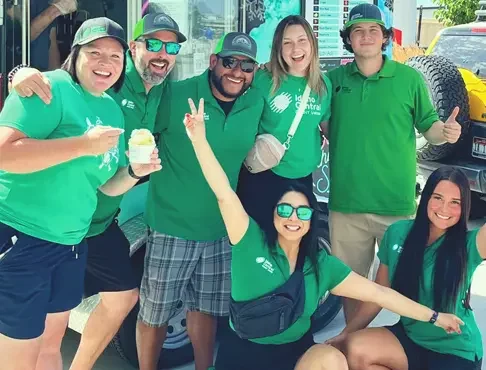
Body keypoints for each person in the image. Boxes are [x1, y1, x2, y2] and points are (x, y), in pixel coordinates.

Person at [181, 98, 464, 370]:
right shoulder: (249, 241)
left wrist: (434, 316)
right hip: (243, 358)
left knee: (331, 359)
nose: (294, 218)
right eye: (285, 210)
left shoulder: (321, 265)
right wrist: (199, 141)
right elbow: (223, 193)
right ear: (273, 214)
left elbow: (379, 293)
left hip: (294, 358)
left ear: (311, 220)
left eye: (303, 212)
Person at [9, 11, 185, 370]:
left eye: (170, 47)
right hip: (31, 233)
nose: (162, 53)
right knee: (24, 345)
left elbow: (107, 179)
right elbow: (10, 147)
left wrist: (135, 171)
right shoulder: (84, 86)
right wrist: (21, 74)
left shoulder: (142, 97)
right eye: (153, 44)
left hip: (87, 228)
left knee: (72, 329)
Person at [324, 2, 463, 322]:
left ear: (385, 37)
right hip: (346, 205)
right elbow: (322, 124)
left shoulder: (408, 79)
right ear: (348, 39)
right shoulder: (333, 81)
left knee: (406, 286)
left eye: (374, 30)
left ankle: (405, 346)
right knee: (349, 285)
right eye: (358, 31)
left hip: (396, 204)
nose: (366, 36)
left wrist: (447, 131)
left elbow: (430, 128)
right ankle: (353, 341)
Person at [139, 32, 264, 370]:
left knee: (207, 311)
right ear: (213, 62)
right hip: (171, 225)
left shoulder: (256, 100)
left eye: (247, 65)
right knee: (155, 314)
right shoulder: (176, 94)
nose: (237, 71)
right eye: (229, 61)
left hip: (221, 229)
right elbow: (137, 111)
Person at [327, 166, 484, 370]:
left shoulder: (470, 243)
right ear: (426, 197)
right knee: (355, 348)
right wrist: (347, 332)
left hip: (455, 350)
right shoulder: (398, 233)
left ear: (465, 208)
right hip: (410, 338)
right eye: (437, 198)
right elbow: (379, 292)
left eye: (455, 202)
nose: (444, 208)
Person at [237, 15, 331, 229]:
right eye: (287, 43)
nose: (295, 49)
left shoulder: (323, 84)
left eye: (302, 40)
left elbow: (326, 127)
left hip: (303, 180)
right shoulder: (263, 79)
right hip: (263, 176)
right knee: (259, 244)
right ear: (279, 49)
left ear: (312, 43)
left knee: (295, 246)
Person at [5, 0, 77, 72]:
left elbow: (52, 44)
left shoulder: (44, 4)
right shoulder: (15, 3)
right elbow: (18, 37)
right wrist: (55, 10)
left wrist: (56, 76)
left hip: (42, 71)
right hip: (19, 72)